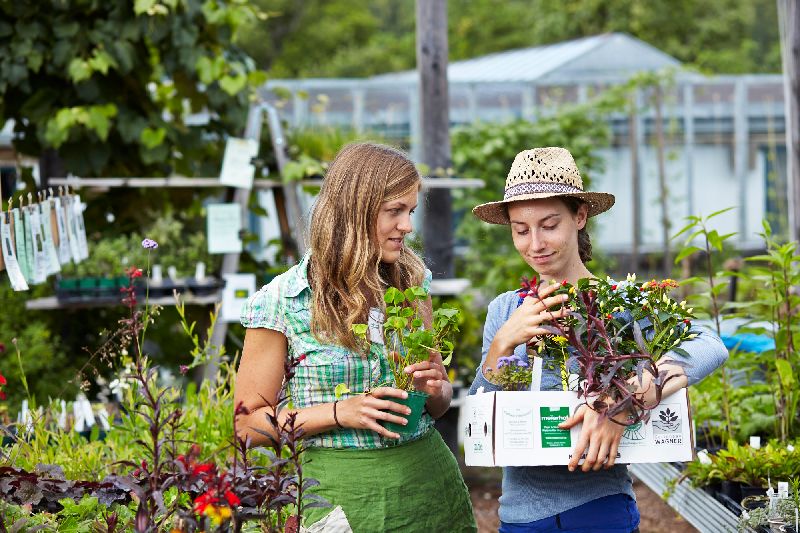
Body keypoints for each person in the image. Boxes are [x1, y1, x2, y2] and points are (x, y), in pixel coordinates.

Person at [469, 147, 728, 533]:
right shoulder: (506, 310)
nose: (535, 244)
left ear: (580, 216)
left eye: (549, 225)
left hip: (600, 509)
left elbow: (709, 345)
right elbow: (480, 416)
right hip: (520, 516)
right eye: (521, 230)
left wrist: (624, 399)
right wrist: (502, 344)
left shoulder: (619, 303)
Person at [235, 142, 477, 532]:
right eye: (395, 211)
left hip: (429, 488)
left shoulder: (411, 282)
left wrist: (434, 388)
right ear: (354, 211)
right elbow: (247, 425)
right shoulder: (283, 300)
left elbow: (438, 405)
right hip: (339, 496)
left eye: (411, 211)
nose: (407, 226)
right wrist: (340, 412)